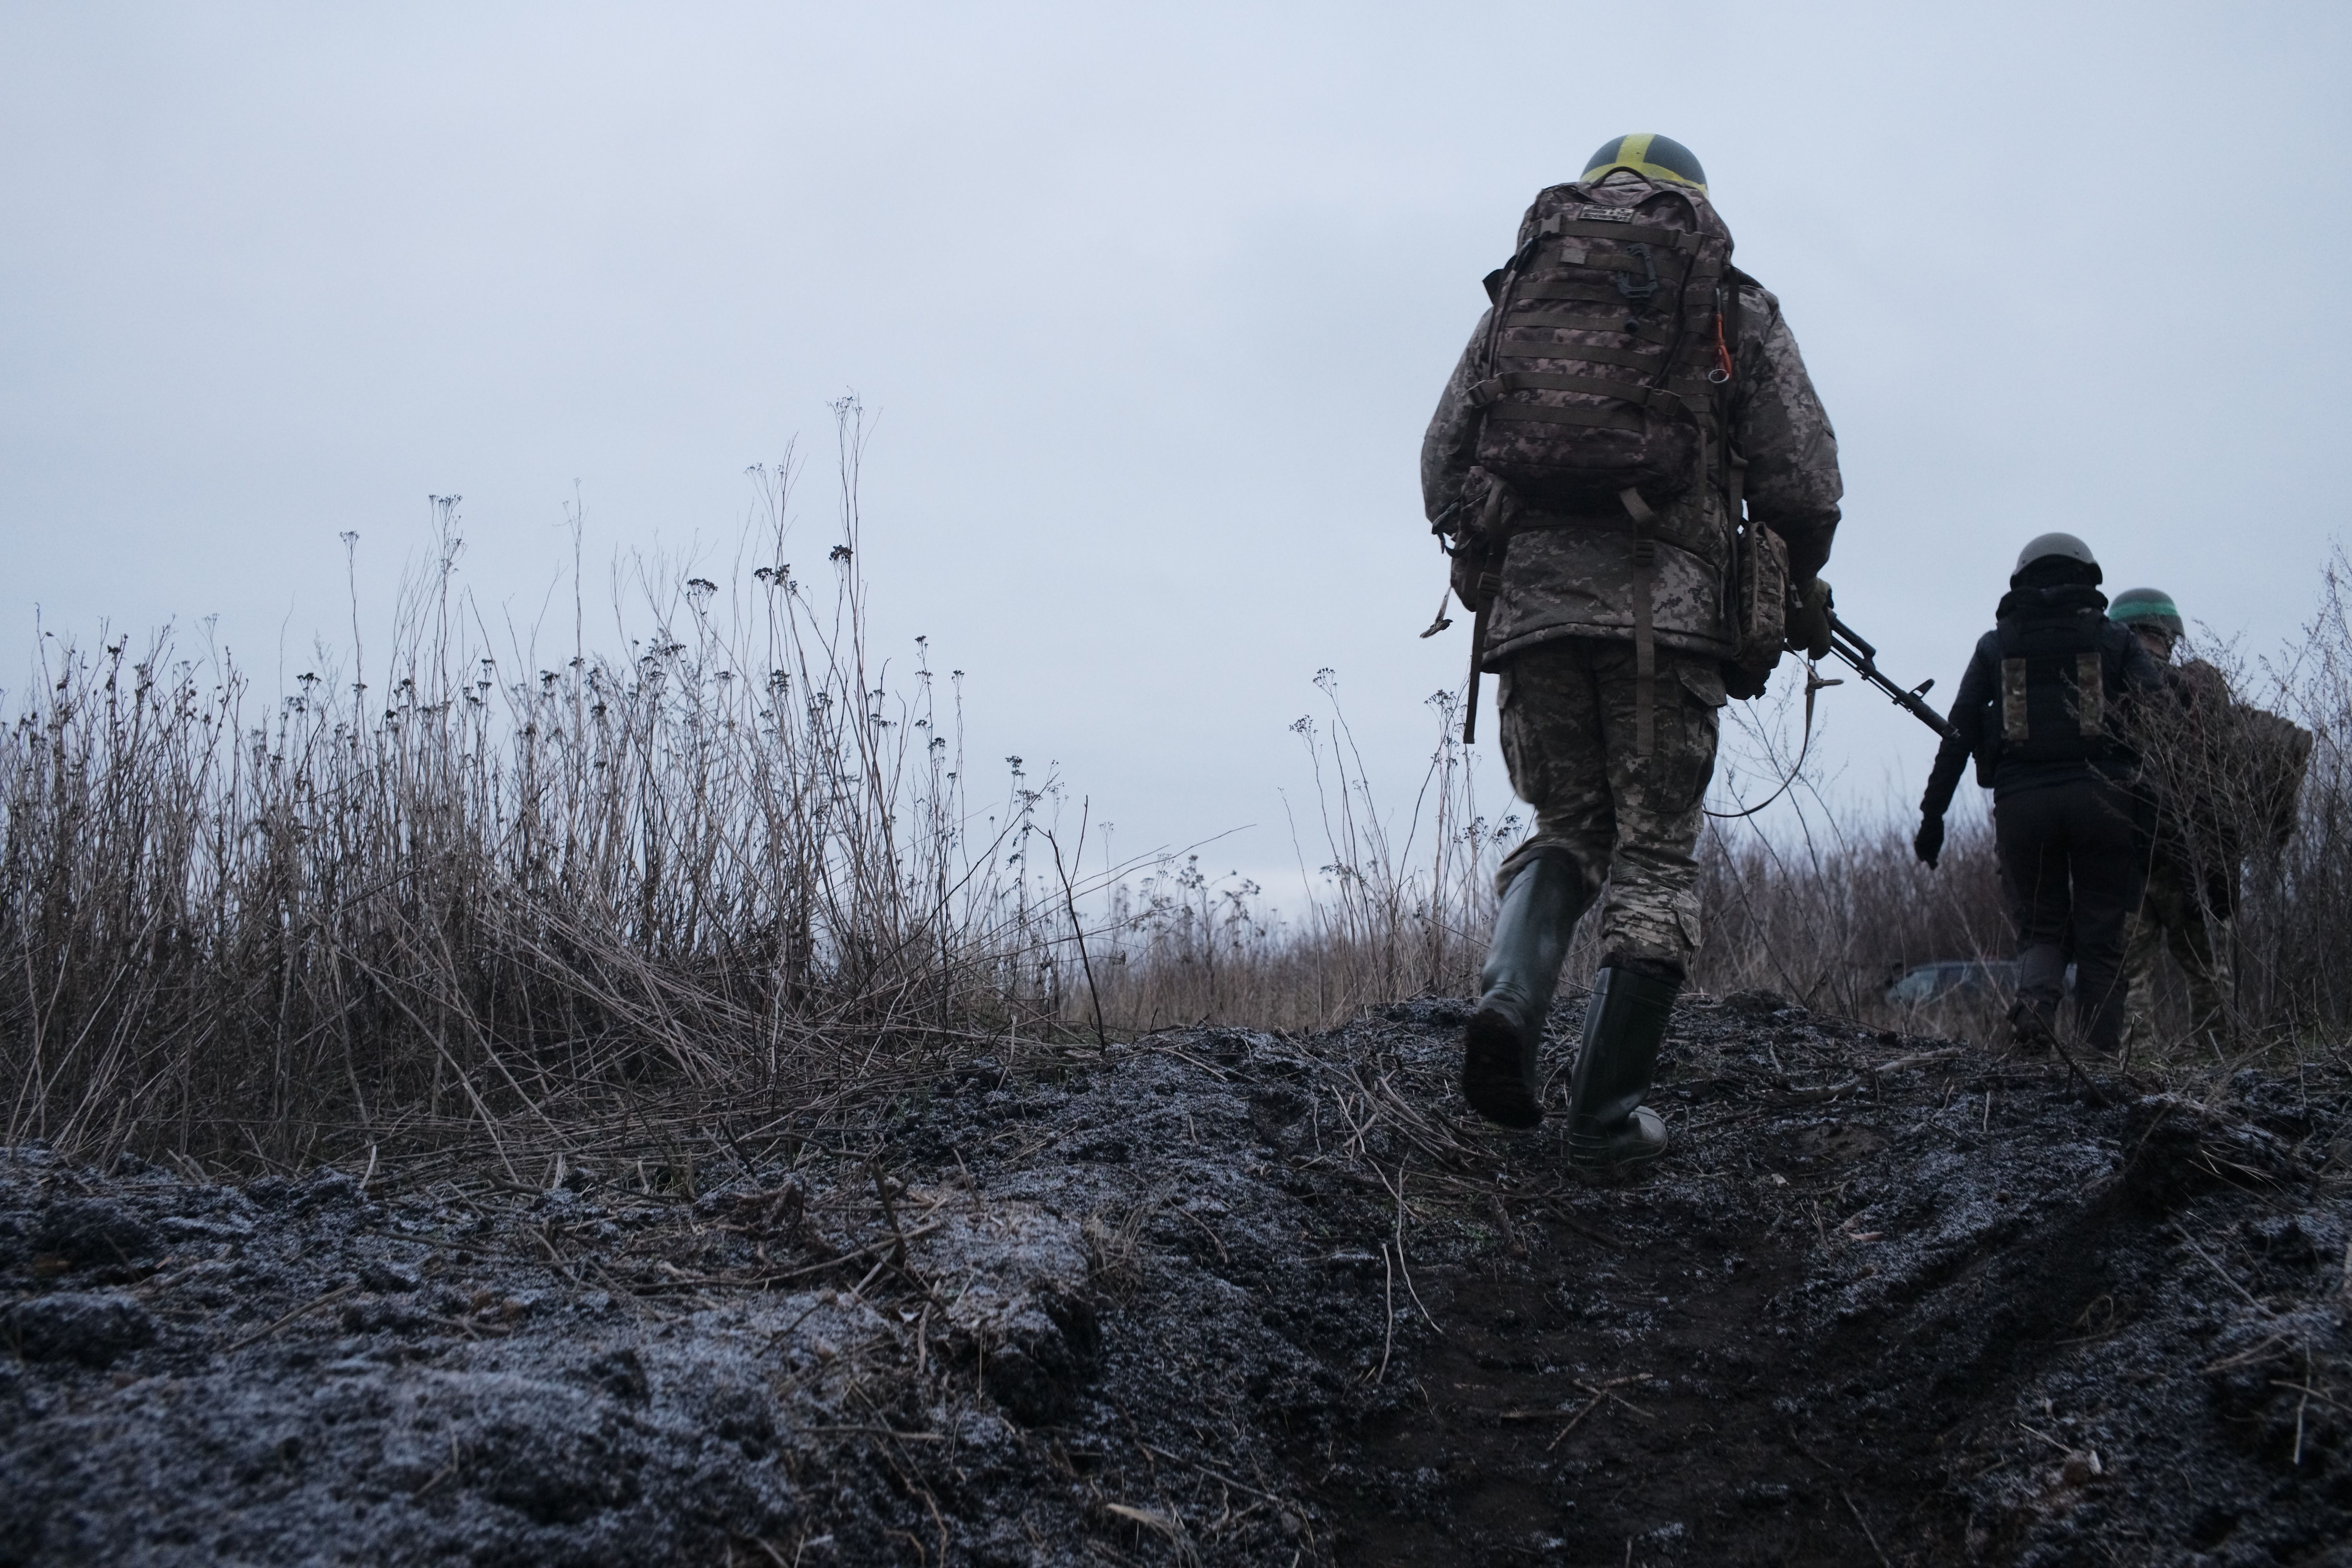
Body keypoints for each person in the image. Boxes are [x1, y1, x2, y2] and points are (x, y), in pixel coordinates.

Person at [1423, 133, 1843, 1163]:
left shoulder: (1518, 301)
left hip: (1533, 619)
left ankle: (1510, 1007)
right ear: (1691, 207)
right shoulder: (1730, 307)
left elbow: (1442, 466)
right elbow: (1805, 485)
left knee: (1568, 827)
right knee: (1654, 856)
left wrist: (1500, 558)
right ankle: (1605, 1117)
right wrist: (1791, 580)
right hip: (1668, 622)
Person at [1913, 535, 2166, 1055]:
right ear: (2087, 579)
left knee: (2042, 931)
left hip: (2023, 807)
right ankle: (2096, 1060)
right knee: (2101, 939)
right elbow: (2166, 726)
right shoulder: (2117, 640)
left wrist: (1932, 817)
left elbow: (1958, 737)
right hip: (2106, 804)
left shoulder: (1995, 645)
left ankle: (2032, 1033)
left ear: (2023, 579)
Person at [2107, 588, 2235, 1047]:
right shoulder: (2195, 693)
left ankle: (2136, 1073)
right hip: (2188, 853)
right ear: (2168, 636)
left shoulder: (2105, 694)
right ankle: (2219, 1067)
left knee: (2129, 977)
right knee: (2208, 973)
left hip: (2124, 854)